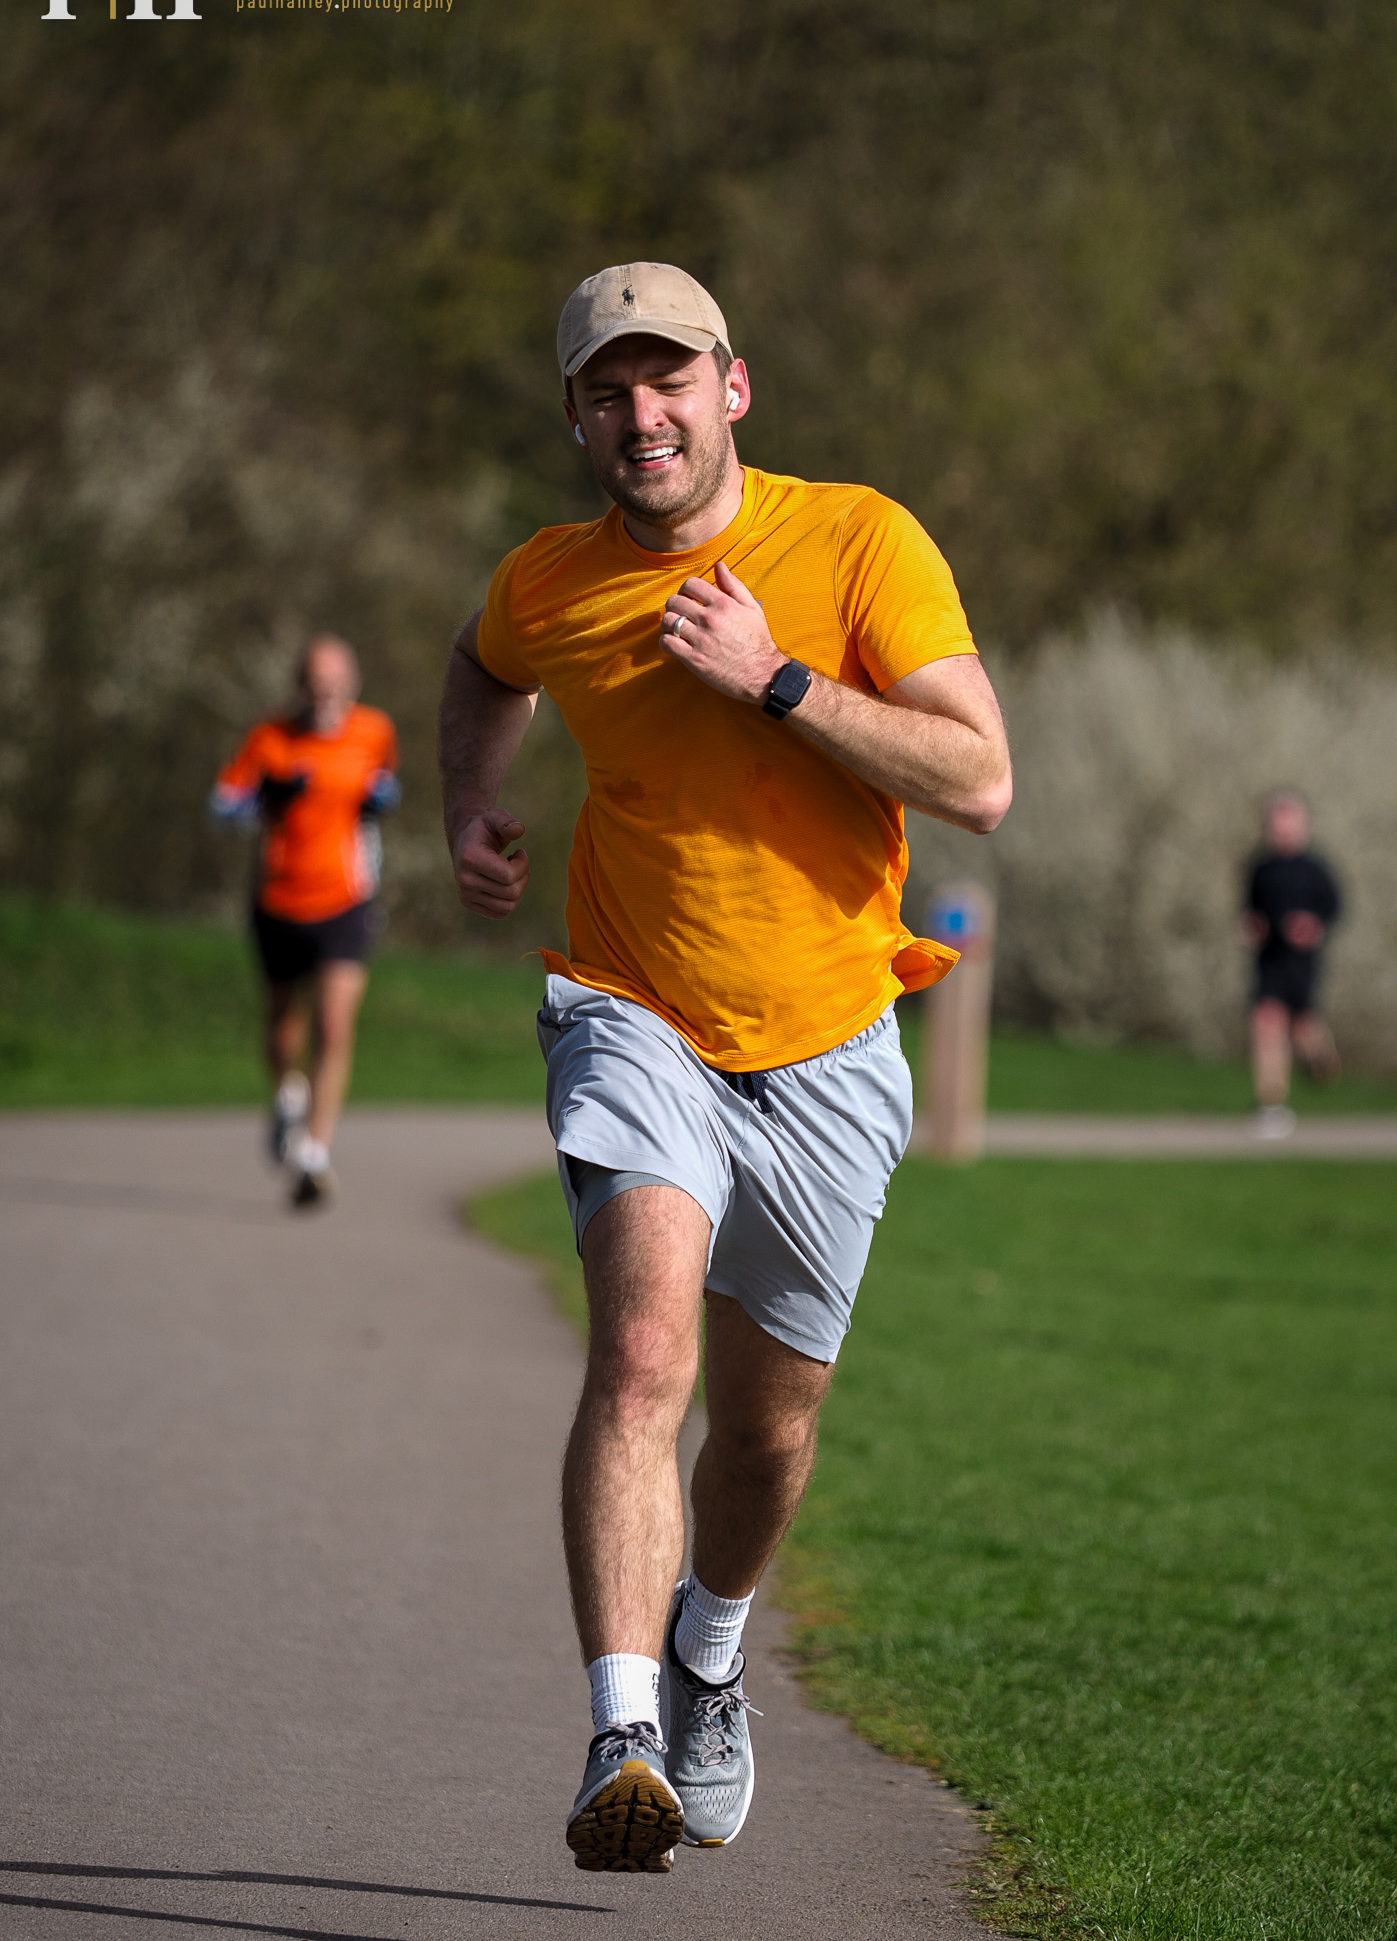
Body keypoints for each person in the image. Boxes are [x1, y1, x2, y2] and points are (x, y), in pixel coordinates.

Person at [437, 262, 1012, 1874]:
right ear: (574, 415)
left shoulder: (858, 541)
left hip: (830, 1044)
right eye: (609, 391)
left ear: (732, 387)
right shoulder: (549, 583)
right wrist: (467, 802)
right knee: (638, 1363)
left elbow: (981, 777)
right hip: (632, 1011)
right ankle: (621, 1735)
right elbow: (482, 667)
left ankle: (708, 1649)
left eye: (669, 380)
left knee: (765, 1433)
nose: (644, 416)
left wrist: (772, 676)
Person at [211, 636, 399, 1205]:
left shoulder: (374, 731)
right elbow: (221, 806)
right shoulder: (268, 737)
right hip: (278, 902)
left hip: (346, 900)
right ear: (299, 688)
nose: (325, 697)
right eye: (315, 686)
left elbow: (386, 781)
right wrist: (262, 799)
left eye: (335, 686)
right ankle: (287, 1095)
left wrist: (381, 797)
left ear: (353, 686)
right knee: (281, 1030)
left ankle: (314, 1154)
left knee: (336, 1024)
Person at [1241, 789, 1343, 1138]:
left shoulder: (1316, 869)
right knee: (1266, 1024)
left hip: (1302, 963)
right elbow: (1250, 910)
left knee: (1302, 1032)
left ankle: (1323, 1059)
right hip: (1269, 960)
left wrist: (1313, 925)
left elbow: (1334, 908)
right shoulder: (1260, 868)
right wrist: (1251, 926)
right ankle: (1271, 1106)